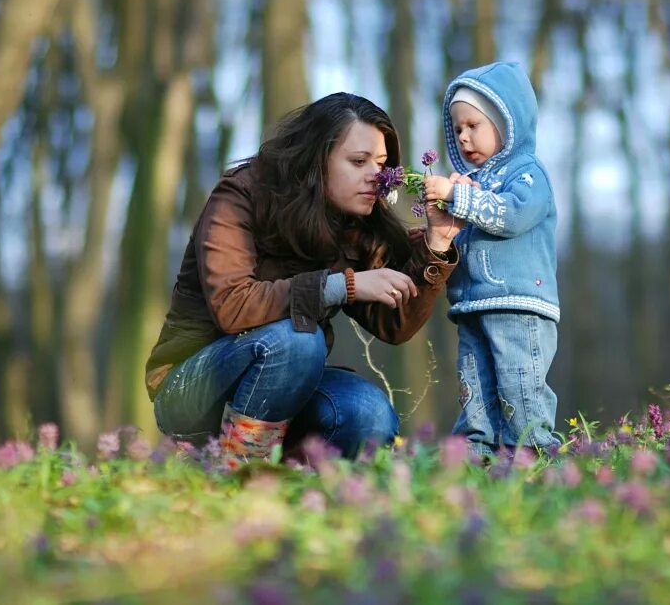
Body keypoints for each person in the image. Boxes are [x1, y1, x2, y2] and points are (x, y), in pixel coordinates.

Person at [144, 92, 461, 464]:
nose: (375, 177)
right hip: (190, 386)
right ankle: (236, 471)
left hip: (284, 387)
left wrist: (437, 244)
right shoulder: (241, 196)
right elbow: (232, 305)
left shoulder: (355, 222)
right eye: (358, 161)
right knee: (298, 338)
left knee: (369, 412)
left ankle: (276, 467)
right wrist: (342, 287)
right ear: (317, 159)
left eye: (381, 163)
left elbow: (395, 325)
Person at [423, 61, 561, 457]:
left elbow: (512, 215)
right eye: (457, 129)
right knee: (475, 386)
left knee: (520, 384)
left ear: (506, 121)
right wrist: (447, 218)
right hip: (472, 304)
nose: (464, 138)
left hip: (518, 304)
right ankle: (475, 453)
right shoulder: (474, 182)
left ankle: (533, 455)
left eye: (473, 125)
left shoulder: (528, 175)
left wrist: (458, 198)